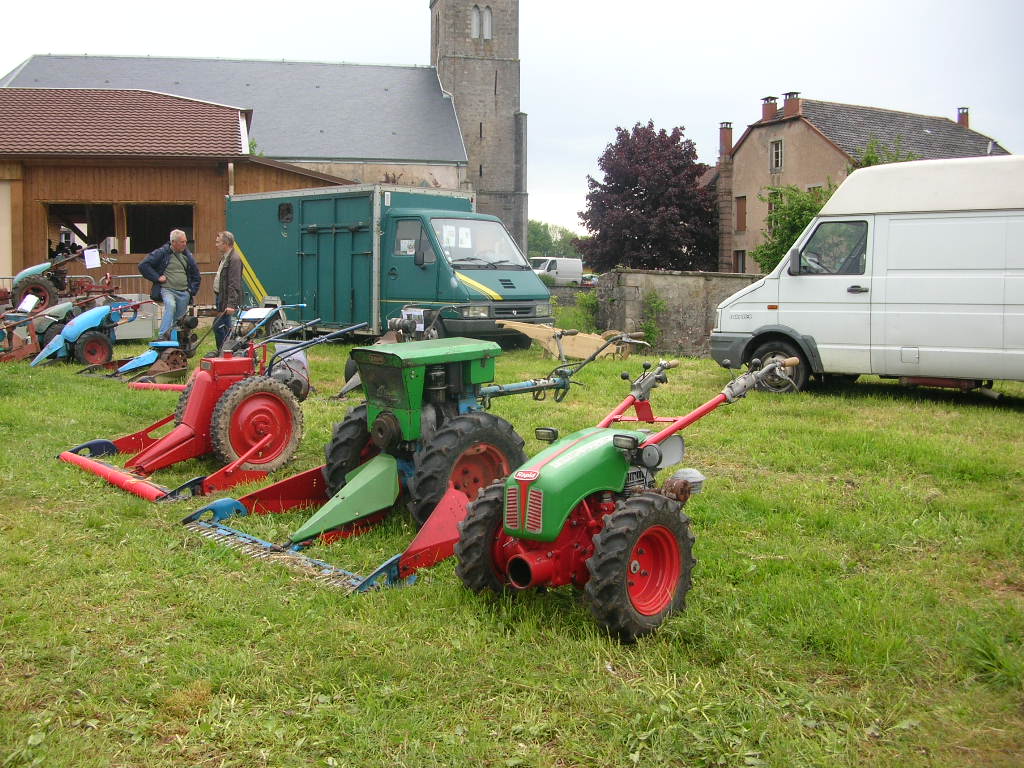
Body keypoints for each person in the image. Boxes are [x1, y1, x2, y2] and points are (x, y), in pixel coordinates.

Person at [140, 229, 201, 337]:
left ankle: (178, 338)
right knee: (171, 306)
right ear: (173, 242)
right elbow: (143, 265)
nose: (185, 244)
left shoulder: (187, 255)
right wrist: (157, 277)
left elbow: (196, 274)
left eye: (185, 241)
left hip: (184, 291)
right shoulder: (162, 252)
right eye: (182, 242)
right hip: (167, 289)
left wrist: (191, 291)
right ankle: (163, 336)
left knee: (180, 318)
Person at [212, 231, 244, 350]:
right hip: (221, 297)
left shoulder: (234, 259)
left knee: (218, 325)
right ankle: (228, 351)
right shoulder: (225, 258)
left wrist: (231, 304)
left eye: (218, 242)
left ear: (225, 244)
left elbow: (234, 283)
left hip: (226, 300)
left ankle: (224, 351)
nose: (216, 245)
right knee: (226, 327)